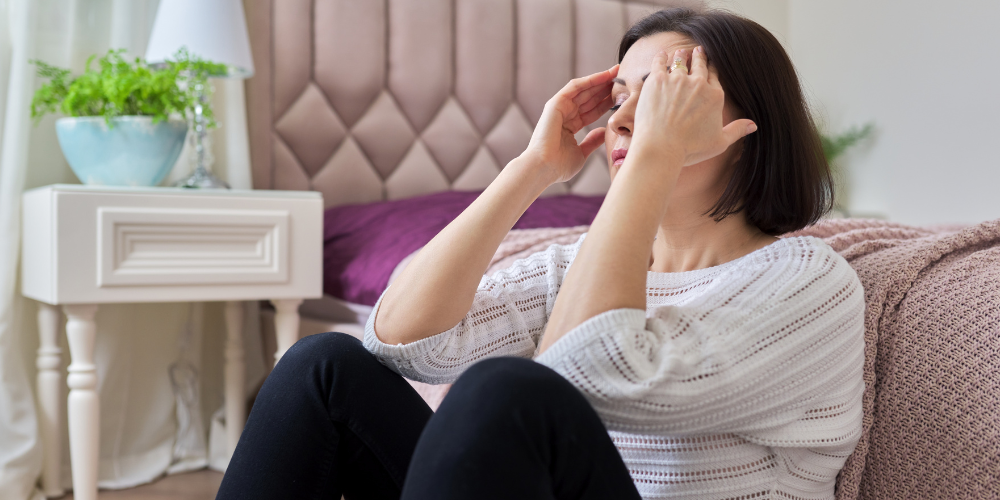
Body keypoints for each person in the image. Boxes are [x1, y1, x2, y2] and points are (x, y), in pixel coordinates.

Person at [217, 7, 865, 500]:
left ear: (747, 125)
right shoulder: (584, 264)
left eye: (663, 93)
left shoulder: (810, 281)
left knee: (507, 390)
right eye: (619, 97)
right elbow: (398, 342)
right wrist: (531, 168)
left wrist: (653, 156)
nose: (624, 117)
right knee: (323, 365)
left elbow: (585, 372)